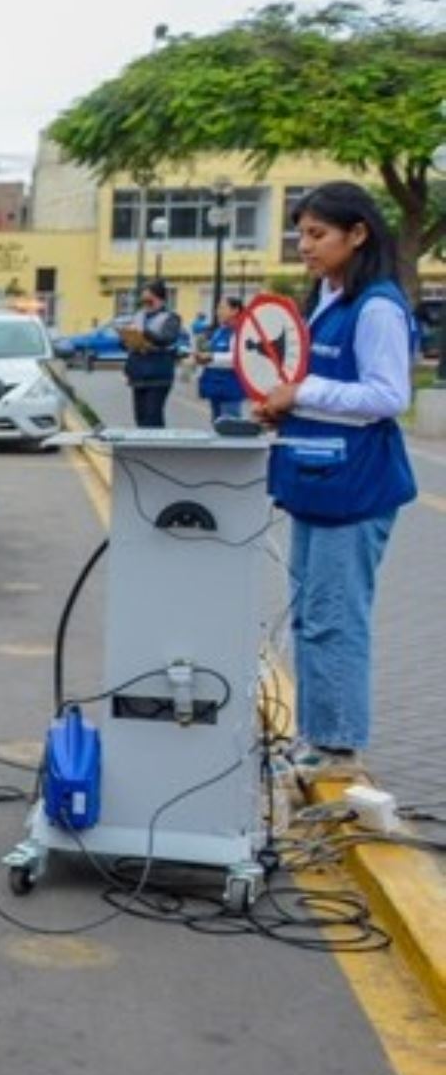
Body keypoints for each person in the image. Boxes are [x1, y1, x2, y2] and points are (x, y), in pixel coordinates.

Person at [255, 182, 417, 774]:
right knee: (309, 616)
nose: (305, 246)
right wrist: (281, 403)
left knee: (335, 619)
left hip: (355, 488)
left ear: (358, 234)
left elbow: (388, 395)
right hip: (314, 482)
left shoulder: (375, 306)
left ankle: (336, 745)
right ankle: (317, 736)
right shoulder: (325, 298)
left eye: (318, 234)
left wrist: (302, 391)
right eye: (301, 233)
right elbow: (309, 383)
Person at [123, 280, 181, 427]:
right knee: (140, 416)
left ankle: (157, 448)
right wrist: (126, 337)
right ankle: (142, 448)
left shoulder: (171, 318)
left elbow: (167, 338)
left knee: (153, 416)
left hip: (158, 375)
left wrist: (145, 333)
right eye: (143, 300)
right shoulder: (138, 316)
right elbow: (127, 343)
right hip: (138, 373)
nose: (145, 303)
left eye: (149, 299)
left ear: (160, 298)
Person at [195, 296, 247, 422]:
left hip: (230, 390)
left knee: (229, 428)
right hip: (216, 388)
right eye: (218, 308)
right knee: (216, 427)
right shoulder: (220, 330)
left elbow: (238, 359)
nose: (218, 311)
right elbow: (213, 353)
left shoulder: (241, 331)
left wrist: (211, 357)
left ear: (235, 310)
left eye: (222, 308)